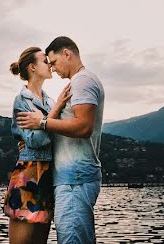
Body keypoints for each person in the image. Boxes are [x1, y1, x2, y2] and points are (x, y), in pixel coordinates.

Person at [17, 36, 105, 244]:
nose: (53, 69)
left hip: (75, 179)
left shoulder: (83, 81)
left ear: (67, 54)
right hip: (72, 179)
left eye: (54, 62)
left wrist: (42, 123)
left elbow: (83, 126)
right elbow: (68, 127)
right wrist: (34, 141)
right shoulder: (79, 82)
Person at [5, 47, 71, 244]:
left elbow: (55, 137)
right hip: (28, 174)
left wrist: (45, 122)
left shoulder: (49, 101)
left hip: (49, 175)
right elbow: (36, 140)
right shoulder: (22, 100)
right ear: (32, 67)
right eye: (44, 61)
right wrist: (56, 111)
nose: (49, 64)